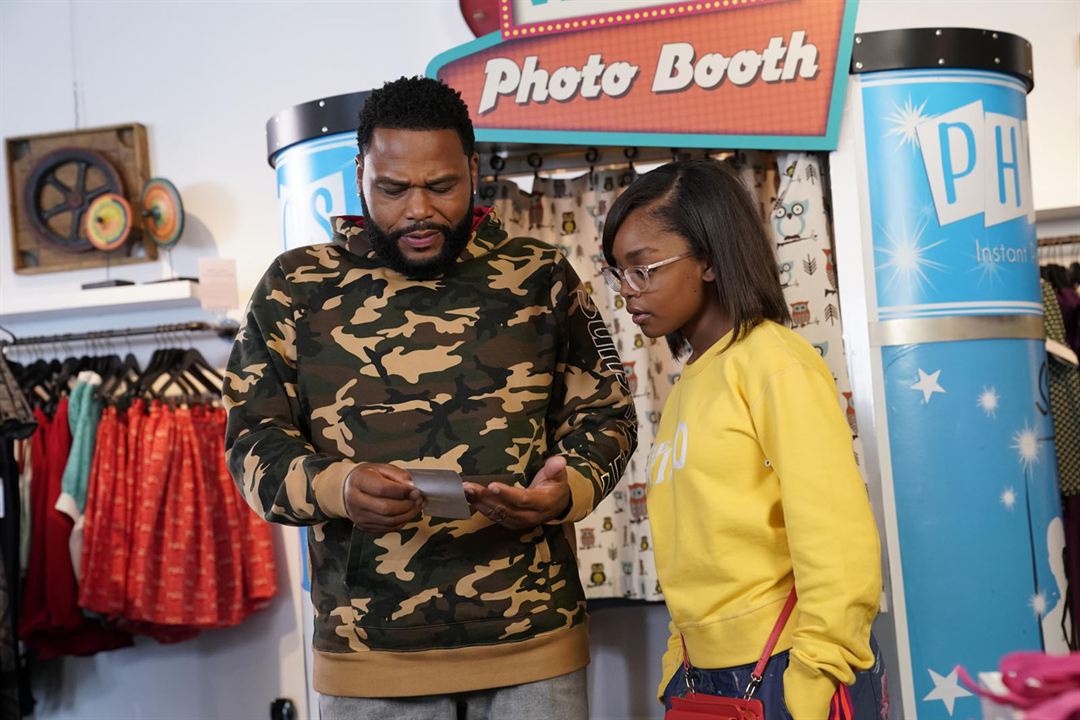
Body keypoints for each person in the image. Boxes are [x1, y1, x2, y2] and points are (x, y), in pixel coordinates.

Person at [224, 76, 636, 720]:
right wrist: (339, 487)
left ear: (472, 170)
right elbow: (251, 445)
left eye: (441, 186)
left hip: (534, 646)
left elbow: (608, 413)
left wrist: (571, 486)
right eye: (393, 189)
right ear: (360, 173)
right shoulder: (294, 287)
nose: (418, 210)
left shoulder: (539, 275)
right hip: (368, 658)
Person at [600, 159, 885, 720]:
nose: (628, 293)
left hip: (784, 668)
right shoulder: (689, 384)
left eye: (644, 269)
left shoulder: (774, 363)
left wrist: (815, 673)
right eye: (619, 274)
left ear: (708, 258)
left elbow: (836, 536)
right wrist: (677, 662)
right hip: (705, 677)